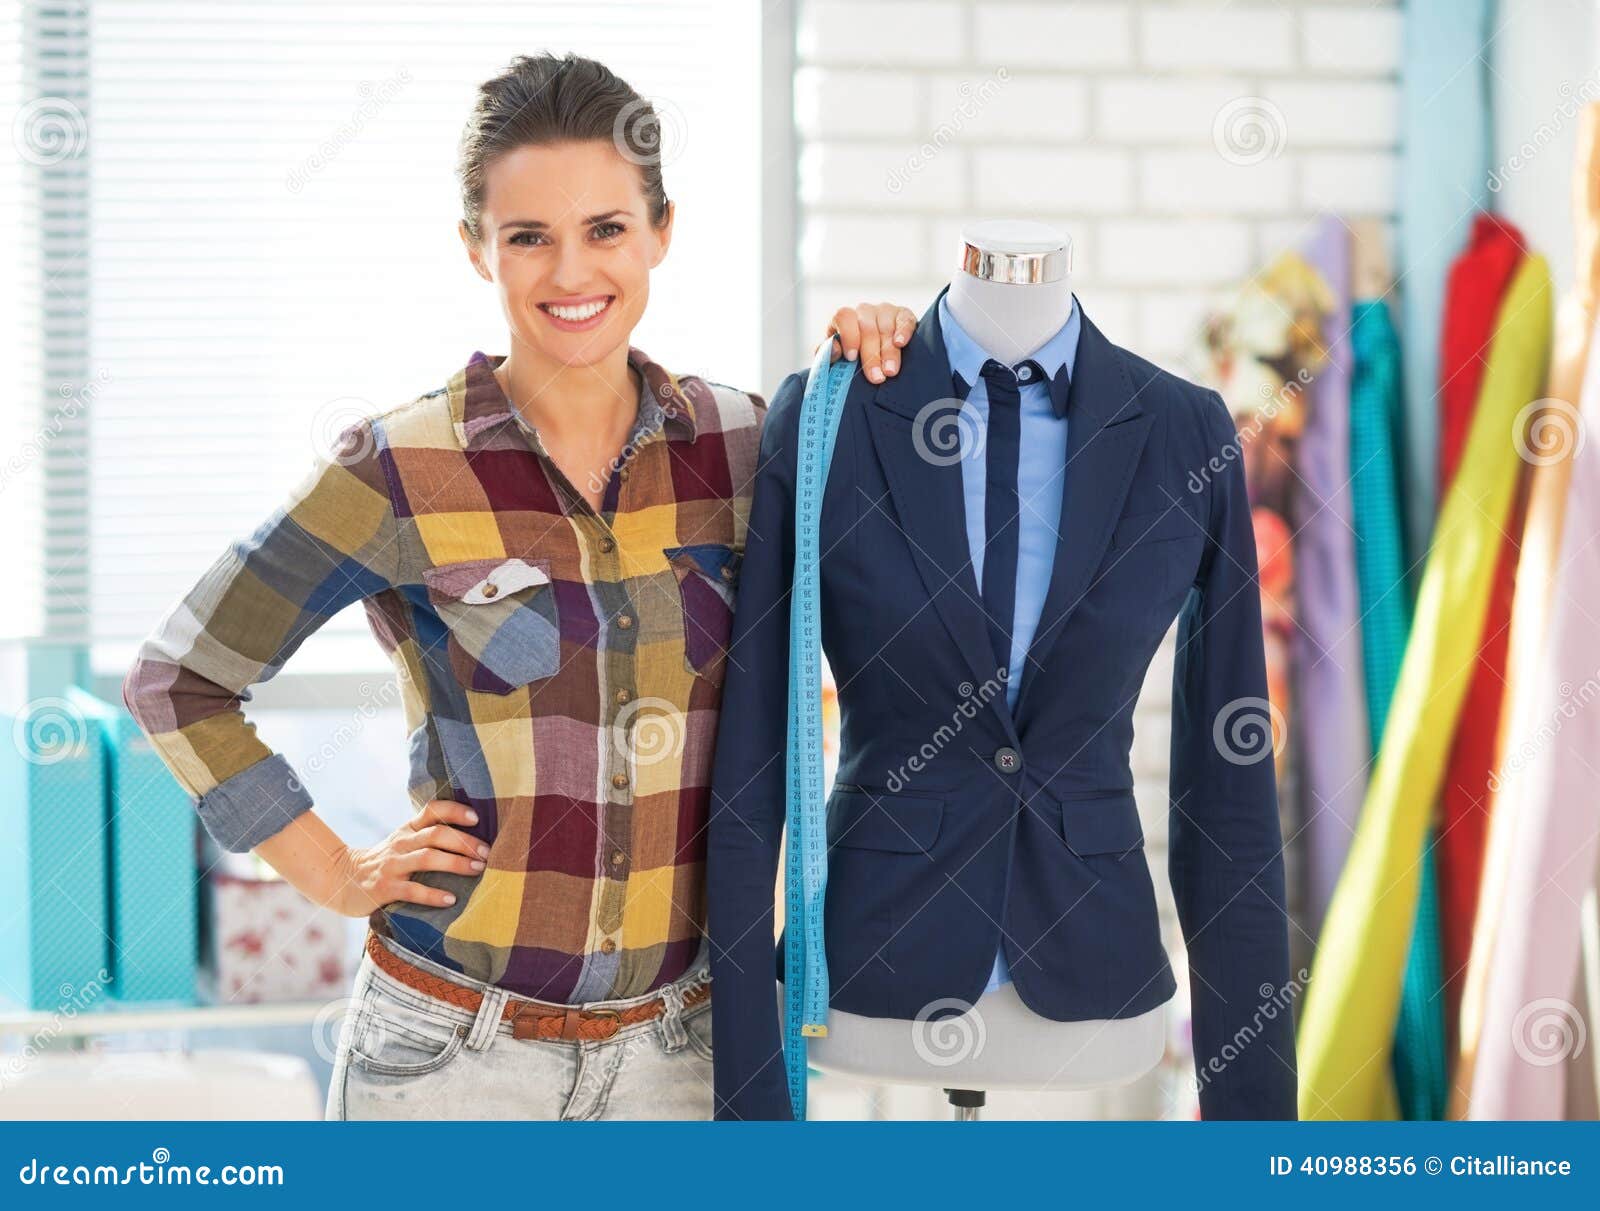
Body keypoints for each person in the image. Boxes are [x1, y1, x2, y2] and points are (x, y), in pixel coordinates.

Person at [122, 50, 914, 1121]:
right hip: (450, 1060)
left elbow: (917, 581)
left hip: (683, 1053)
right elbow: (180, 679)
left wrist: (894, 363)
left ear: (661, 233)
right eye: (527, 236)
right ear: (475, 248)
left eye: (606, 229)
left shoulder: (745, 446)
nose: (570, 272)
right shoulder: (395, 466)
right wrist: (333, 872)